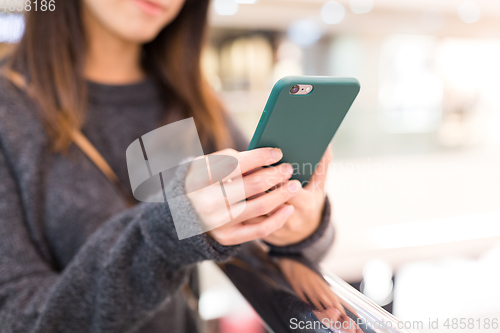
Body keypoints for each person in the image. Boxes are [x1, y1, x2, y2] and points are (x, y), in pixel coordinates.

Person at [0, 0, 336, 332]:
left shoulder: (193, 101)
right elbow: (17, 317)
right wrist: (172, 226)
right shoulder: (10, 110)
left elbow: (256, 247)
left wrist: (298, 229)